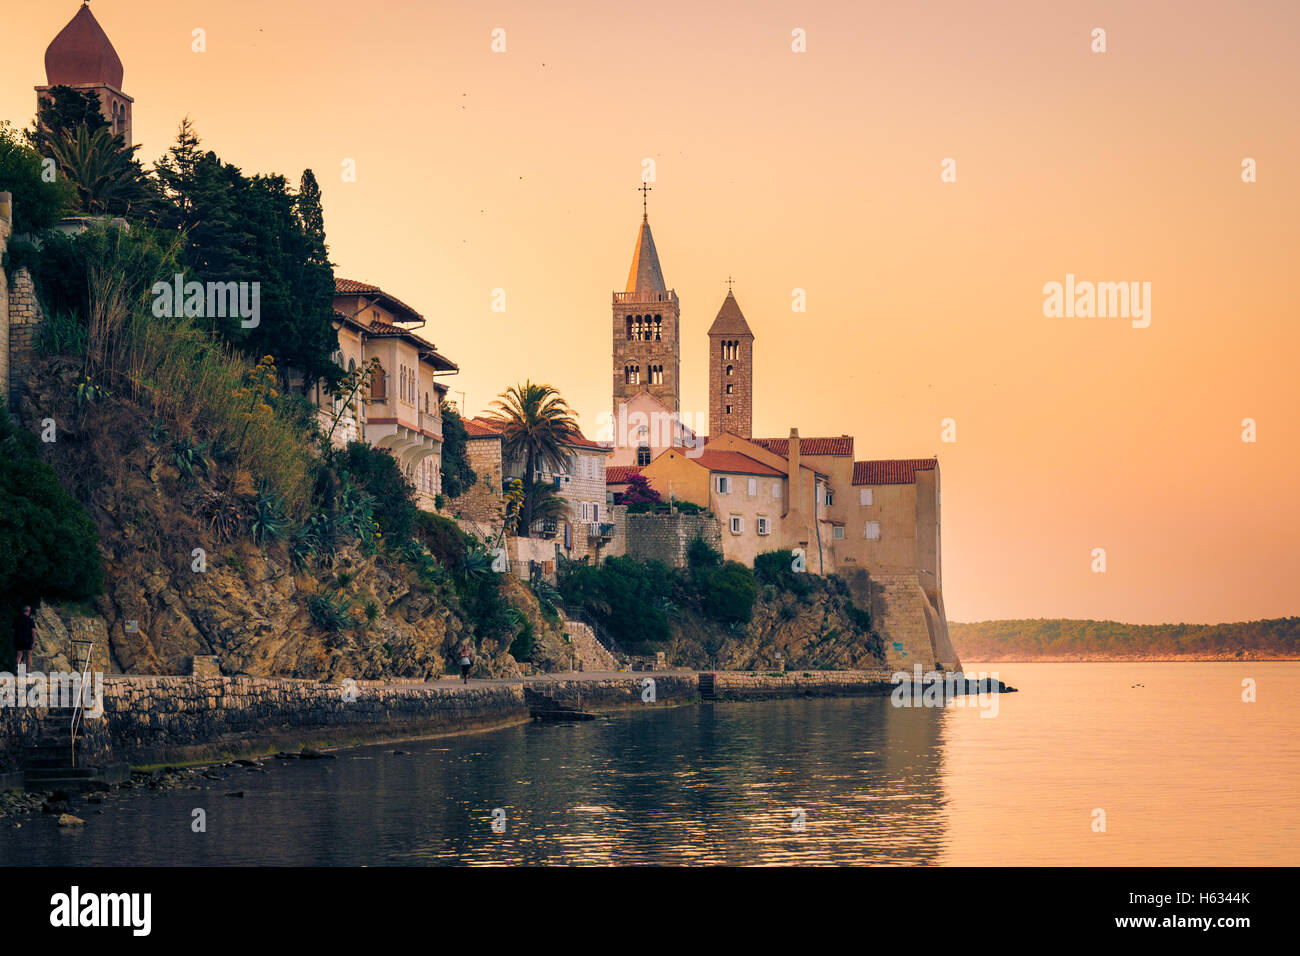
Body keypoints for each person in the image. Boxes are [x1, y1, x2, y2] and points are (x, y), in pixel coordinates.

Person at [13, 605, 36, 674]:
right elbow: (33, 631)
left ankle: (17, 668)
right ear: (28, 611)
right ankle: (27, 672)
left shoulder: (17, 619)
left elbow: (13, 630)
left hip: (19, 640)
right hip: (28, 640)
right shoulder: (30, 620)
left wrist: (15, 638)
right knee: (29, 655)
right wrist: (33, 642)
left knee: (19, 655)